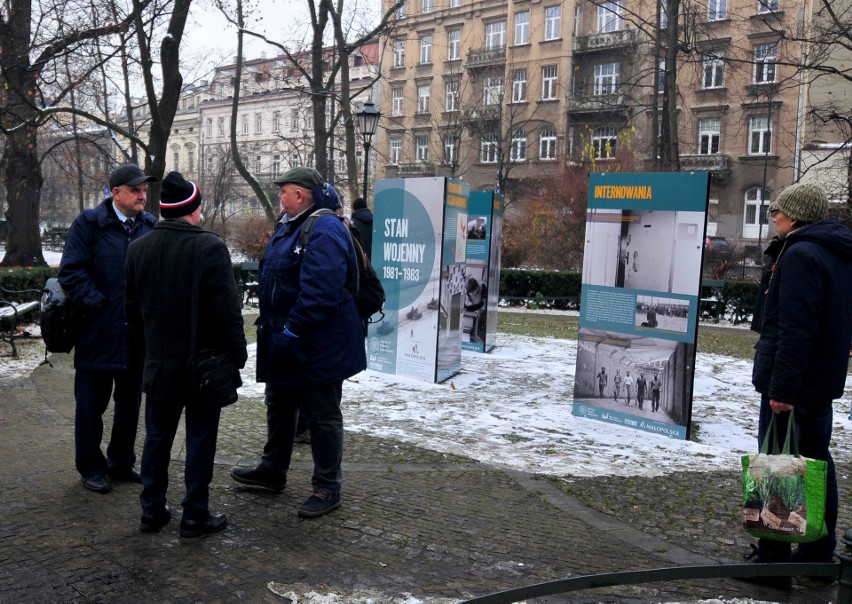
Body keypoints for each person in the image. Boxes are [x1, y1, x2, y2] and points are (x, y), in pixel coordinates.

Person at [230, 167, 366, 519]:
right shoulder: (290, 225)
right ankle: (272, 471)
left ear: (300, 195)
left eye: (283, 191)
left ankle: (326, 487)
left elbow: (321, 292)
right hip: (286, 339)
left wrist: (292, 331)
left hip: (316, 342)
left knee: (321, 416)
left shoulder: (324, 228)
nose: (279, 197)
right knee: (279, 405)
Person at [125, 172, 247, 538]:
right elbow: (227, 312)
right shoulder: (210, 247)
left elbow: (132, 312)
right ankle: (194, 514)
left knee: (157, 437)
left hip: (160, 363)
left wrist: (148, 353)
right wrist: (237, 354)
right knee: (200, 439)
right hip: (203, 366)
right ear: (193, 209)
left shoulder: (138, 249)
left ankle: (152, 508)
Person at [744, 183, 852, 588]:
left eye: (778, 212)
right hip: (820, 381)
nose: (773, 217)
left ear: (798, 216)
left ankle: (774, 561)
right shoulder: (832, 252)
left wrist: (782, 391)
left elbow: (796, 329)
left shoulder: (802, 255)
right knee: (815, 463)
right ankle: (815, 555)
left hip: (795, 384)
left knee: (778, 462)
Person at [57, 163, 157, 493]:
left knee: (130, 406)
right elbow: (70, 272)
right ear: (116, 193)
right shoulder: (89, 224)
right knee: (90, 406)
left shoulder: (150, 226)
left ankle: (120, 462)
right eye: (136, 190)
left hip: (134, 338)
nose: (143, 195)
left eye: (144, 190)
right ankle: (91, 467)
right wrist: (97, 304)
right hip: (96, 332)